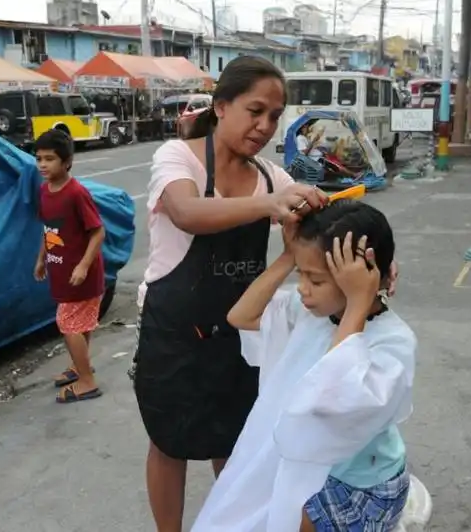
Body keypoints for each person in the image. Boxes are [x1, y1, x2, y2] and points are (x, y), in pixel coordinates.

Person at [132, 55, 329, 532]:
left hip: (239, 334)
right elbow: (185, 211)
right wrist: (270, 204)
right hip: (174, 331)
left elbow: (314, 231)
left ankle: (230, 524)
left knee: (234, 442)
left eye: (275, 117)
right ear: (221, 106)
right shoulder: (178, 157)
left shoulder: (270, 177)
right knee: (168, 442)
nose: (265, 126)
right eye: (255, 111)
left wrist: (366, 249)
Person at [193, 200, 415, 532]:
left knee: (278, 520)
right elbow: (241, 316)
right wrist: (288, 256)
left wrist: (357, 303)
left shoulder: (392, 343)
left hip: (363, 485)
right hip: (314, 466)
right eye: (302, 274)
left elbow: (333, 401)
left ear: (363, 280)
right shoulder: (314, 313)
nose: (302, 289)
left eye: (316, 280)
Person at [33, 130, 106, 404]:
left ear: (66, 162)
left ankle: (87, 381)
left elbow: (98, 232)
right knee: (80, 323)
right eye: (39, 158)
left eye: (49, 159)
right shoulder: (45, 191)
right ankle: (79, 367)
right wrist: (41, 259)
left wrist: (84, 266)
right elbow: (49, 230)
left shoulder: (76, 193)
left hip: (81, 275)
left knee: (67, 324)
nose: (42, 164)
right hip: (61, 272)